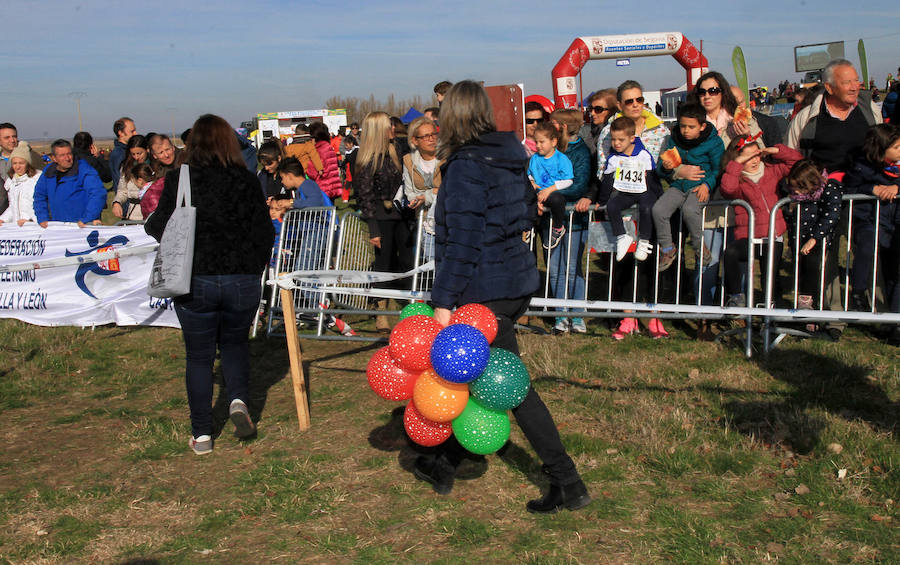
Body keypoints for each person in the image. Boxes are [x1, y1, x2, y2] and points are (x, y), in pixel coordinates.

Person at [418, 80, 591, 514]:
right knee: (475, 376)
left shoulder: (466, 165)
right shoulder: (510, 157)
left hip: (487, 289)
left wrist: (443, 299)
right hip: (513, 281)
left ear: (453, 117)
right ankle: (443, 462)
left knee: (511, 388)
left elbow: (464, 240)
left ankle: (567, 480)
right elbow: (521, 216)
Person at [144, 114, 274, 455]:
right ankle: (239, 401)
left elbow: (158, 226)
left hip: (194, 279)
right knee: (234, 346)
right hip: (241, 279)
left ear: (193, 144)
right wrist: (250, 268)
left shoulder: (179, 179)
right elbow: (264, 232)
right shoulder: (246, 181)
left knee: (199, 358)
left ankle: (202, 435)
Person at [787, 59, 882, 340]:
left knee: (869, 252)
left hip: (865, 196)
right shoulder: (808, 117)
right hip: (822, 200)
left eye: (856, 81)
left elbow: (885, 147)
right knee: (826, 257)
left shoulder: (869, 110)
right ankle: (833, 317)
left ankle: (878, 313)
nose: (855, 87)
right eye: (847, 82)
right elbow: (792, 156)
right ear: (829, 87)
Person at [719, 135, 803, 307]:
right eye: (748, 157)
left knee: (770, 278)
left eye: (756, 155)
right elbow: (727, 189)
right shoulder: (737, 177)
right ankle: (736, 296)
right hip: (749, 237)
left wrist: (777, 150)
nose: (754, 160)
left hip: (773, 235)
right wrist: (736, 164)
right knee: (731, 253)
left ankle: (770, 316)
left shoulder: (772, 169)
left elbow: (797, 163)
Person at [355, 111, 413, 332]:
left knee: (408, 262)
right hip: (381, 216)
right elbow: (365, 196)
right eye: (389, 127)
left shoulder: (398, 148)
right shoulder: (367, 160)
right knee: (384, 265)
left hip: (403, 214)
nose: (393, 130)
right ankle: (381, 312)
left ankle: (412, 306)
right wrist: (373, 229)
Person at [843, 124, 900, 342]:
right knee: (866, 245)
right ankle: (857, 293)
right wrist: (871, 189)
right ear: (880, 149)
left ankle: (895, 323)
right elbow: (848, 188)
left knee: (894, 272)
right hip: (869, 220)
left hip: (895, 225)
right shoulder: (861, 167)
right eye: (895, 147)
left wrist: (897, 188)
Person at [653, 103, 725, 272]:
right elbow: (661, 169)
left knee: (690, 209)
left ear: (702, 126)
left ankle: (700, 246)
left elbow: (719, 169)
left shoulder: (714, 142)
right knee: (658, 210)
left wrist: (707, 185)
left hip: (700, 187)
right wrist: (667, 167)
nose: (685, 130)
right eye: (683, 126)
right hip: (678, 185)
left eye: (691, 127)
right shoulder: (673, 139)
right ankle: (667, 249)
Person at [545, 108, 592, 334]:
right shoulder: (548, 151)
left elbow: (579, 184)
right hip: (551, 219)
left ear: (562, 127)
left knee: (572, 268)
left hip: (574, 219)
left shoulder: (581, 151)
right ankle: (561, 316)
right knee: (555, 268)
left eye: (552, 123)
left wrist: (551, 192)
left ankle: (578, 315)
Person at [783, 159, 843, 312]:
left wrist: (814, 238)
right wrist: (792, 242)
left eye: (797, 187)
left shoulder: (830, 188)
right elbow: (792, 221)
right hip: (799, 239)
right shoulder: (796, 198)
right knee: (801, 273)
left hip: (819, 242)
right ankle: (804, 310)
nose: (794, 191)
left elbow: (832, 215)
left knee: (815, 272)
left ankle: (817, 309)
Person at [601, 116, 661, 262]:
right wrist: (601, 200)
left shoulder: (643, 155)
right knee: (612, 206)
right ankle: (622, 236)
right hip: (626, 193)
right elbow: (607, 181)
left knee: (646, 208)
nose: (616, 143)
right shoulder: (613, 158)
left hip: (645, 192)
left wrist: (660, 195)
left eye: (621, 140)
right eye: (614, 139)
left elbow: (653, 178)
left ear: (632, 138)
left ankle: (644, 241)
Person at [33, 139, 106, 227]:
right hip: (57, 228)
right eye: (62, 155)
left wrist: (87, 219)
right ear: (54, 158)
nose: (67, 158)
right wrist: (42, 218)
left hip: (82, 227)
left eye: (69, 154)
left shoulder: (84, 170)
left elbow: (98, 194)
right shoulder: (48, 172)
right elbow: (39, 196)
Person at [402, 116, 442, 261]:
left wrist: (426, 196)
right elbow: (410, 194)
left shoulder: (447, 157)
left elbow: (449, 190)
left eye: (433, 134)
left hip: (449, 220)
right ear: (414, 140)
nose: (431, 139)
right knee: (431, 264)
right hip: (426, 223)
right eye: (426, 136)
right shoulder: (408, 161)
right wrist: (433, 192)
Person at [528, 122, 573, 249]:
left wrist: (549, 190)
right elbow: (530, 175)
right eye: (536, 142)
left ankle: (558, 228)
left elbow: (569, 180)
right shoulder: (534, 158)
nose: (538, 145)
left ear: (553, 142)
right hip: (537, 193)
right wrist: (531, 183)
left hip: (552, 193)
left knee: (557, 199)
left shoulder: (561, 159)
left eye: (542, 142)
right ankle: (527, 229)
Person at [0, 123, 44, 213]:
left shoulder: (32, 158)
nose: (12, 140)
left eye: (14, 136)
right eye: (7, 137)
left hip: (27, 212)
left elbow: (42, 185)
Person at [140, 134, 182, 217]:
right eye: (161, 152)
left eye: (168, 149)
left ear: (173, 147)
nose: (166, 155)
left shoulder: (186, 160)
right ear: (155, 156)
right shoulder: (156, 169)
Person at [0, 143, 40, 226]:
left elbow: (41, 205)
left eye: (21, 163)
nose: (17, 167)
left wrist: (30, 219)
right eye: (14, 163)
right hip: (18, 228)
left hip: (34, 226)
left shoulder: (37, 180)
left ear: (28, 163)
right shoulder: (12, 182)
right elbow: (12, 207)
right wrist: (2, 219)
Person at [112, 135, 150, 221]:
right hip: (133, 215)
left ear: (147, 149)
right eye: (133, 154)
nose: (136, 157)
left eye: (139, 153)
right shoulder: (126, 167)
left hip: (152, 214)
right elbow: (122, 190)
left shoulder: (155, 166)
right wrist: (117, 202)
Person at [307, 122, 343, 199]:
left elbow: (312, 172)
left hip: (322, 188)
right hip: (332, 187)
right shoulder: (328, 147)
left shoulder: (317, 150)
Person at [578, 89, 616, 158]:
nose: (592, 113)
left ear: (611, 111)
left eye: (598, 109)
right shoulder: (591, 131)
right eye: (590, 109)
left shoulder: (616, 133)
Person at [109, 117, 137, 193]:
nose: (136, 133)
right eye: (132, 131)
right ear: (121, 133)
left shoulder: (127, 151)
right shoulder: (120, 154)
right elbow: (123, 182)